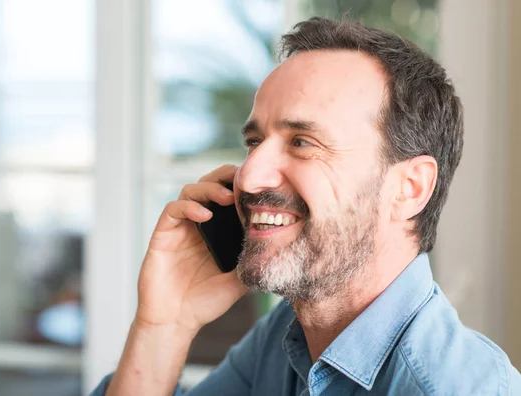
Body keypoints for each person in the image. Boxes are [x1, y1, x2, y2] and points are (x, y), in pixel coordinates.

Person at [91, 17, 521, 395]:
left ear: (409, 188)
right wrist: (164, 325)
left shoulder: (455, 388)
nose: (249, 176)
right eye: (254, 142)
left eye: (302, 142)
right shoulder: (284, 338)